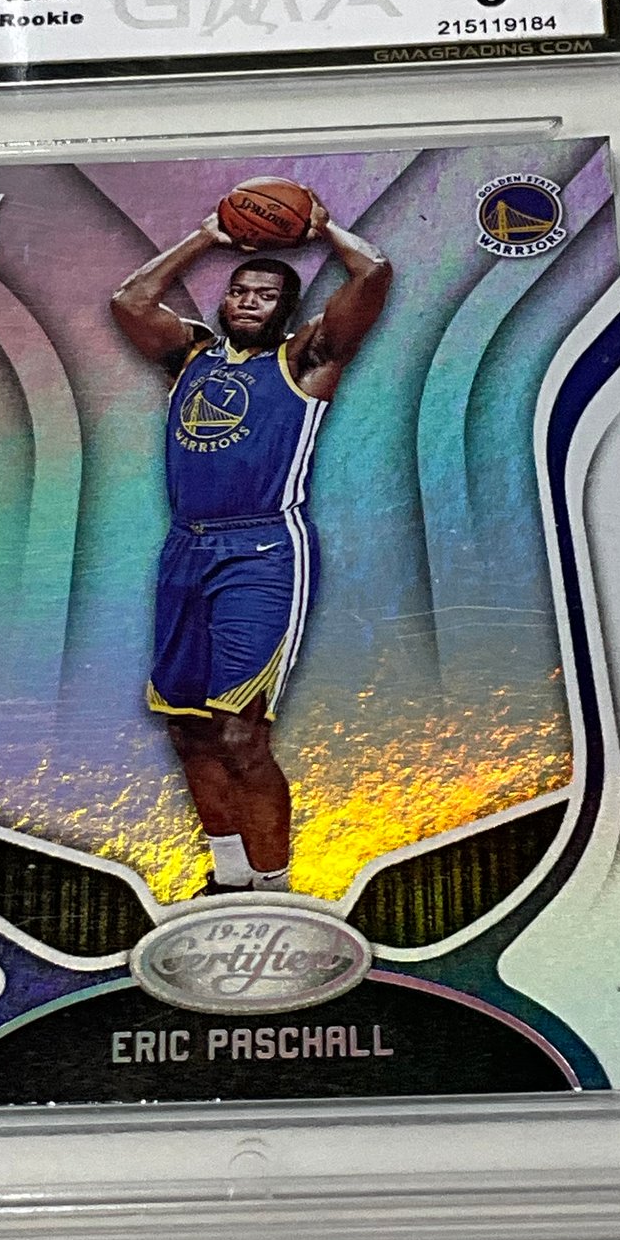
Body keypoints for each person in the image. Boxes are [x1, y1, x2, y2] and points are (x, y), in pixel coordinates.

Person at [110, 195, 391, 892]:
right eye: (239, 290)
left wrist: (323, 228)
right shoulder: (189, 356)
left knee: (241, 733)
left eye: (265, 294)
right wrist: (207, 235)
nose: (248, 301)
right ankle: (229, 879)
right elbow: (129, 301)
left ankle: (275, 889)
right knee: (187, 729)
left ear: (287, 309)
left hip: (262, 551)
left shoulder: (307, 358)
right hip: (185, 549)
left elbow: (373, 274)